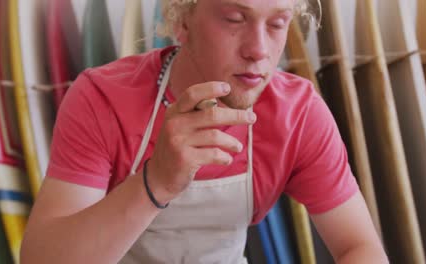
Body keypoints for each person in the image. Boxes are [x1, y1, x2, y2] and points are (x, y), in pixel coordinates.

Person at [20, 0, 388, 263]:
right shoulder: (103, 98)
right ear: (182, 19)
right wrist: (157, 181)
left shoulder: (298, 114)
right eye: (233, 18)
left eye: (277, 24)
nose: (258, 50)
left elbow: (360, 247)